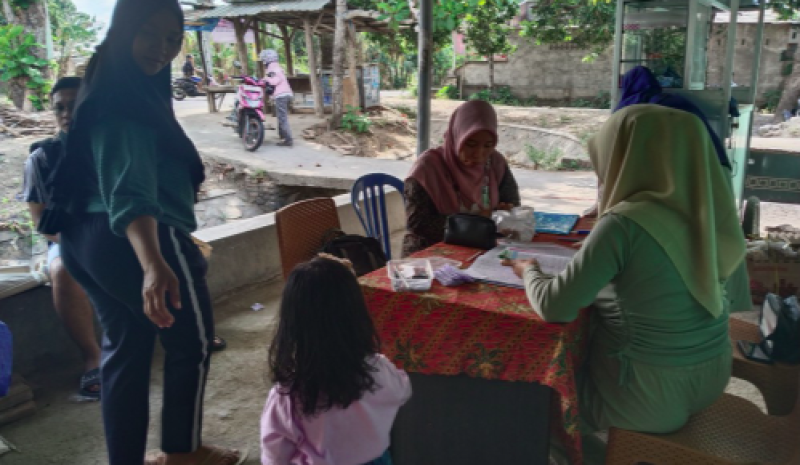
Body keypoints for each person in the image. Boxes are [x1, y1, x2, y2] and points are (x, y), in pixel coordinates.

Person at [505, 104, 751, 465]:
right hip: (713, 375)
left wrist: (529, 269)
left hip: (647, 394)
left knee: (537, 407)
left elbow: (555, 306)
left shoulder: (624, 223)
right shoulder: (711, 211)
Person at [52, 1, 243, 464]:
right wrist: (154, 264)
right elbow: (131, 188)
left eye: (173, 40)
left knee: (127, 348)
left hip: (83, 237)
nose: (162, 49)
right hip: (137, 236)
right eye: (149, 34)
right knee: (191, 343)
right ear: (124, 31)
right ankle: (183, 452)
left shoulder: (107, 83)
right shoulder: (126, 100)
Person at [261, 256, 411, 465]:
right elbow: (402, 392)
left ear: (292, 324)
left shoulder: (289, 394)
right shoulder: (379, 368)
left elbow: (275, 455)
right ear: (357, 314)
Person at [22, 77, 102, 400]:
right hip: (68, 237)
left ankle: (184, 335)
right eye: (60, 108)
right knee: (62, 270)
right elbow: (41, 221)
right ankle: (93, 357)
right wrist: (85, 240)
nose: (67, 113)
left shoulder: (111, 148)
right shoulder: (42, 159)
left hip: (117, 232)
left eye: (75, 106)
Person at [402, 100, 521, 257]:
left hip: (482, 249)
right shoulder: (428, 168)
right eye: (470, 144)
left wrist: (505, 212)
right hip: (431, 252)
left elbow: (513, 203)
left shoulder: (495, 163)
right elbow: (419, 224)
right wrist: (478, 220)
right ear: (457, 136)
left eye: (488, 145)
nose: (479, 154)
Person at [259, 49, 294, 147]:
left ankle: (288, 139)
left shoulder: (272, 69)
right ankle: (282, 136)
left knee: (282, 118)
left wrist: (266, 79)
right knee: (281, 116)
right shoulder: (277, 67)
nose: (263, 63)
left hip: (281, 95)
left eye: (263, 60)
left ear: (267, 60)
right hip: (287, 94)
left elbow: (275, 81)